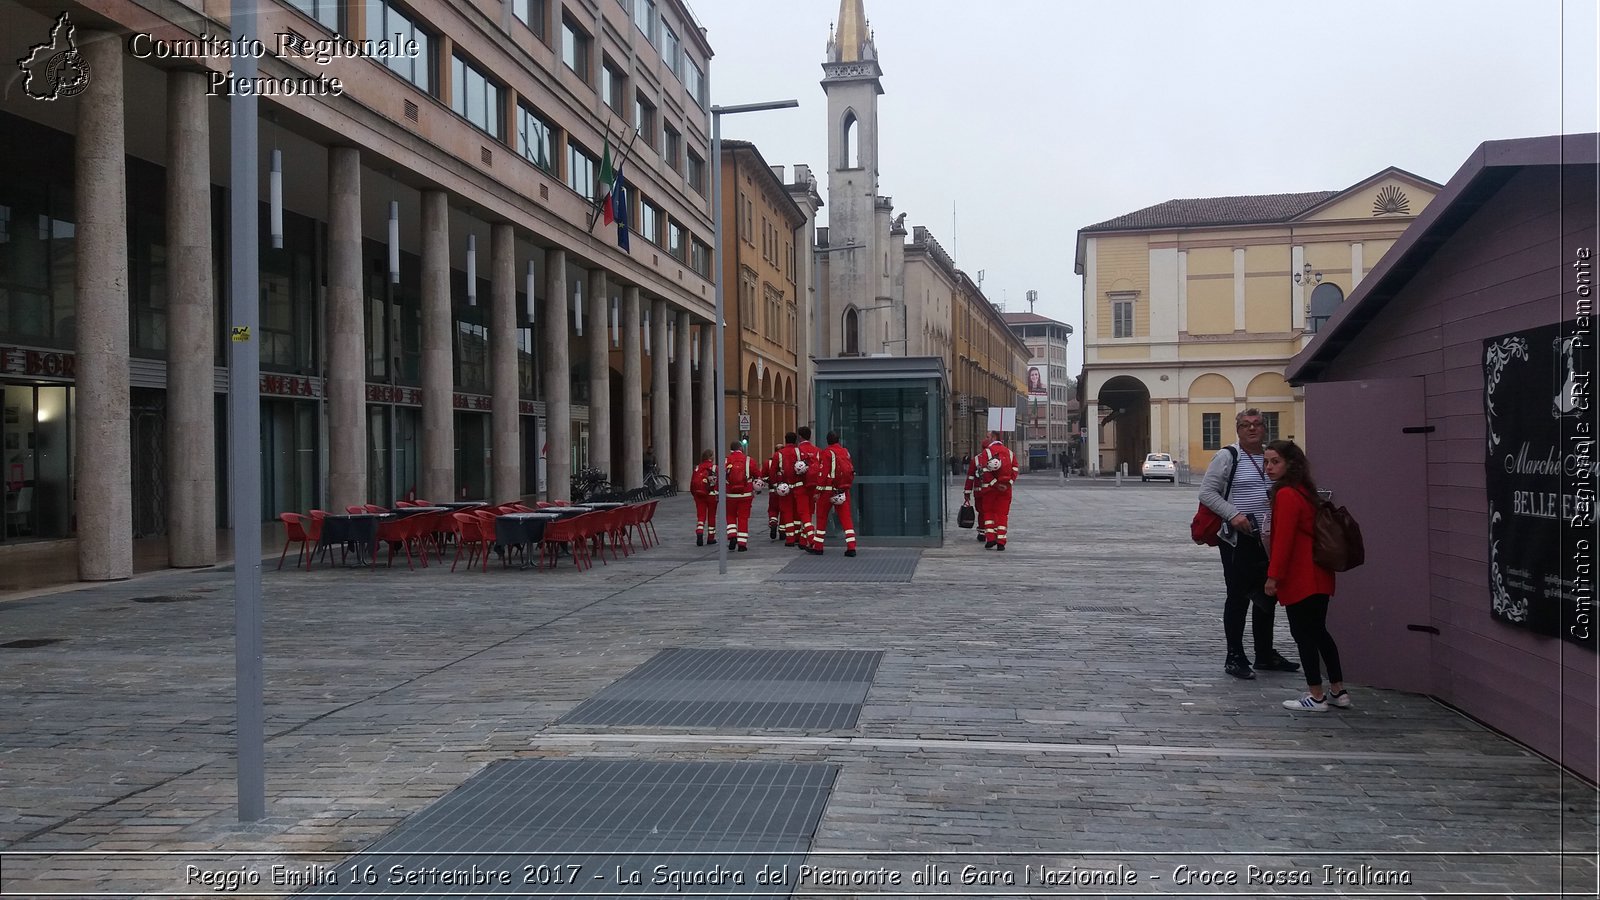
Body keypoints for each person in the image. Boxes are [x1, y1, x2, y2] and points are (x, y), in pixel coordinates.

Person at [1198, 409, 1300, 680]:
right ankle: (1235, 655)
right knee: (1239, 596)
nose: (1252, 429)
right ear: (1238, 430)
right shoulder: (1228, 456)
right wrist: (1233, 515)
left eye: (1257, 425)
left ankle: (1264, 654)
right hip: (1237, 539)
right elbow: (1207, 492)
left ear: (1264, 429)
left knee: (1267, 596)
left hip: (1267, 538)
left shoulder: (1271, 457)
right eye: (1246, 425)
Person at [1262, 439, 1348, 712]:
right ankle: (1338, 690)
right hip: (1319, 575)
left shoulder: (1286, 495)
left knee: (1304, 635)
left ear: (1290, 464)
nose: (1269, 467)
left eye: (1275, 461)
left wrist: (1273, 577)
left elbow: (1283, 541)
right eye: (1266, 462)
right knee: (1320, 632)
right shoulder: (1305, 492)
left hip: (1302, 577)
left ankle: (1316, 695)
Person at [808, 432, 858, 556]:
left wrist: (817, 491)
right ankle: (851, 547)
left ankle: (818, 546)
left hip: (828, 490)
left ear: (827, 441)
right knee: (846, 518)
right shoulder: (845, 451)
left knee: (822, 517)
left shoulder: (827, 453)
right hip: (843, 489)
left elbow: (823, 474)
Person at [974, 431, 1019, 549]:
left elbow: (985, 471)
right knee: (1003, 514)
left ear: (994, 437)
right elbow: (1015, 469)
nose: (986, 439)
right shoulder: (1009, 452)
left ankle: (990, 538)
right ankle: (1001, 541)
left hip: (990, 490)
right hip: (1006, 490)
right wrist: (1008, 484)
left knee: (988, 513)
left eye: (988, 437)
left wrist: (995, 484)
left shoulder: (987, 452)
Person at [792, 426, 822, 550]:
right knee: (809, 514)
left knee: (803, 514)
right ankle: (803, 541)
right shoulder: (817, 451)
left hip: (801, 486)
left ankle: (812, 540)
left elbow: (790, 471)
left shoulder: (797, 451)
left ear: (800, 436)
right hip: (813, 487)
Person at [724, 441, 756, 552]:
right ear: (741, 448)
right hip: (745, 494)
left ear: (731, 449)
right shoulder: (748, 460)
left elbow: (720, 478)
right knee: (743, 518)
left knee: (730, 516)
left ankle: (732, 535)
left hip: (730, 494)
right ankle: (742, 543)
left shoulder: (726, 460)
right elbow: (757, 475)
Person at [689, 449, 718, 546]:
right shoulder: (714, 468)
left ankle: (699, 532)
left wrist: (695, 494)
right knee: (711, 516)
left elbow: (692, 483)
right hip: (711, 494)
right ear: (711, 457)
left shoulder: (697, 468)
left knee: (701, 516)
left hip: (699, 494)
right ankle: (711, 537)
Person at [777, 432, 801, 546]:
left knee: (787, 512)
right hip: (797, 486)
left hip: (784, 487)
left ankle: (790, 538)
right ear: (796, 440)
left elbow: (773, 471)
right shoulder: (798, 452)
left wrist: (774, 483)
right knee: (797, 512)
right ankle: (797, 536)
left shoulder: (780, 454)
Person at [962, 452, 986, 543]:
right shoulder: (998, 457)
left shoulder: (976, 459)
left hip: (979, 491)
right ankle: (992, 532)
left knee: (981, 512)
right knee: (992, 512)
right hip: (993, 492)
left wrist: (967, 492)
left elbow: (970, 477)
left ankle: (982, 532)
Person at [765, 443, 785, 541]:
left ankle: (773, 522)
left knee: (773, 509)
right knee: (784, 510)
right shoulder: (786, 461)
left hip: (773, 491)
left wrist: (770, 481)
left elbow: (763, 476)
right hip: (785, 491)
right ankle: (782, 531)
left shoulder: (768, 463)